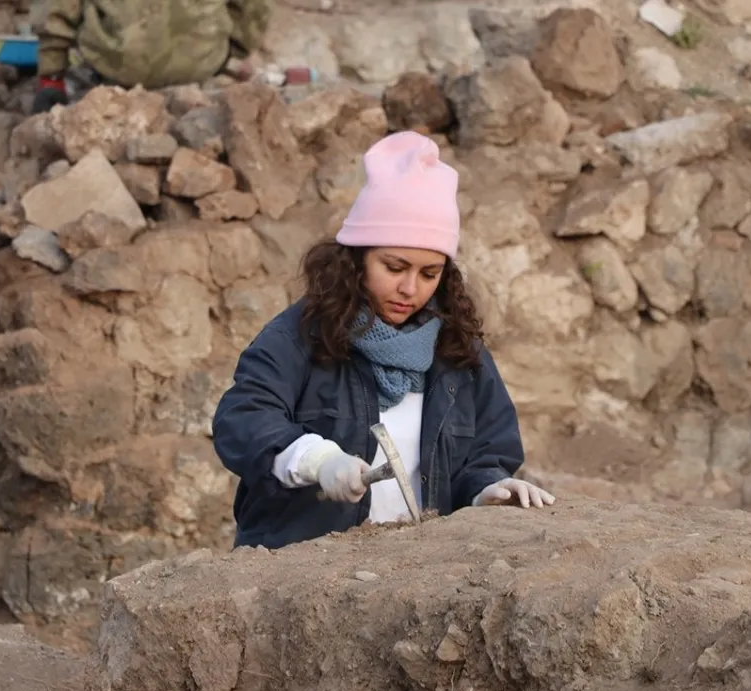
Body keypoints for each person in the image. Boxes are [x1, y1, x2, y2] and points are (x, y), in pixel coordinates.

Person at [212, 131, 556, 551]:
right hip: (301, 578)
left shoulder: (458, 352)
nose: (410, 289)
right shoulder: (298, 337)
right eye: (394, 267)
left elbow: (488, 451)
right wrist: (316, 460)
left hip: (415, 579)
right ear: (356, 259)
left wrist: (487, 489)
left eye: (430, 274)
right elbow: (243, 419)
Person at [32, 0, 270, 114]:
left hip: (117, 64)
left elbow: (57, 10)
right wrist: (232, 51)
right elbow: (254, 10)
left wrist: (51, 76)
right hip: (200, 62)